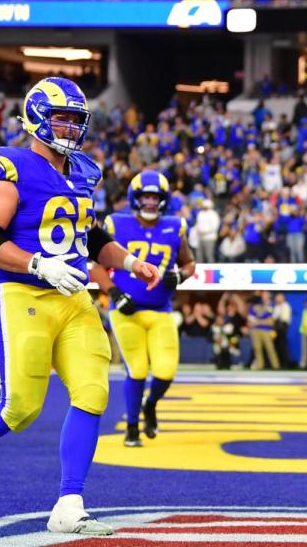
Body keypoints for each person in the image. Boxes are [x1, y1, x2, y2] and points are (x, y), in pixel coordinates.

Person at [0, 77, 161, 535]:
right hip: (24, 292)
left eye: (75, 120)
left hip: (73, 296)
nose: (70, 128)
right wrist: (37, 264)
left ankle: (69, 503)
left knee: (92, 392)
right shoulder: (11, 163)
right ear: (35, 117)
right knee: (20, 410)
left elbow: (87, 234)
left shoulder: (84, 170)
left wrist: (128, 261)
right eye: (61, 118)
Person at [89, 170, 196, 447]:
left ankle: (150, 405)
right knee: (136, 370)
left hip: (161, 308)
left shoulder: (175, 226)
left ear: (163, 199)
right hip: (127, 310)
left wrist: (181, 276)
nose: (150, 202)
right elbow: (97, 265)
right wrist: (113, 291)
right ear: (135, 198)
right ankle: (132, 426)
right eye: (145, 196)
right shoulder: (116, 223)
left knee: (165, 372)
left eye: (155, 197)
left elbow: (189, 263)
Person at [249, 291, 279, 370]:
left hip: (266, 329)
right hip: (256, 329)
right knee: (257, 348)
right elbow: (252, 313)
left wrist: (258, 319)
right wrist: (258, 318)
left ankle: (275, 365)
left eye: (266, 295)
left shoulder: (272, 305)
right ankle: (260, 365)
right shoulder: (258, 304)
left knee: (270, 348)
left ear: (269, 296)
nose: (264, 297)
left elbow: (265, 315)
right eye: (263, 295)